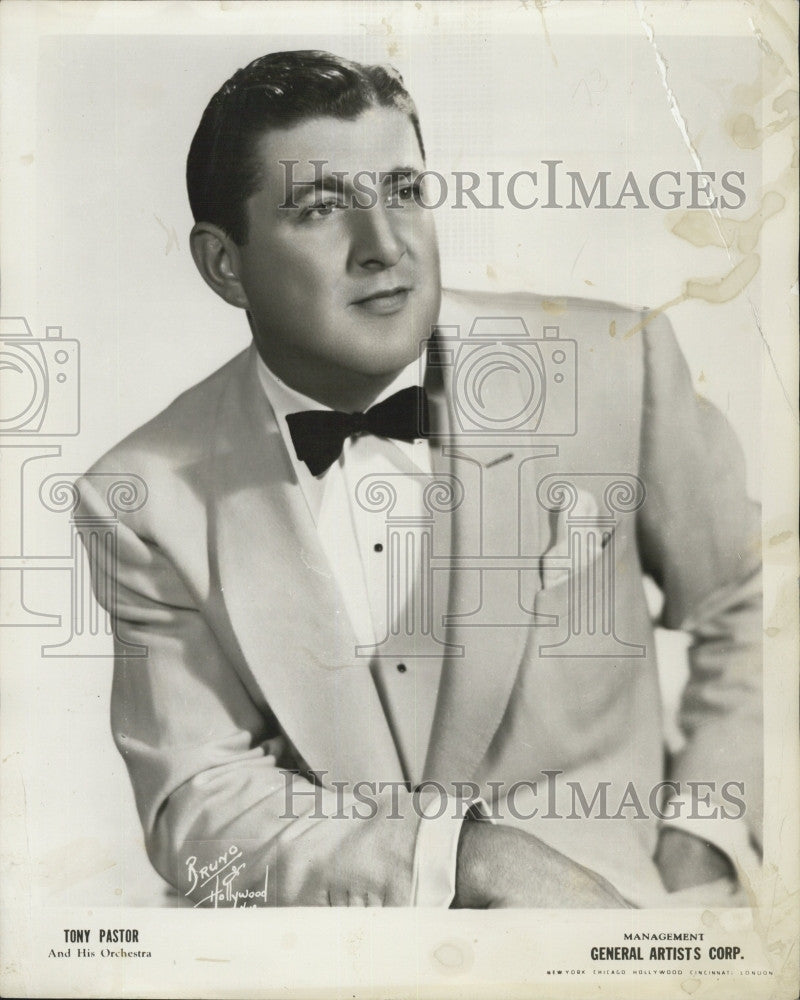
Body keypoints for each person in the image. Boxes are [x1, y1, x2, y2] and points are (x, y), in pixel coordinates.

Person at [78, 50, 762, 908]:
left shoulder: (615, 369)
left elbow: (756, 599)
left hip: (630, 935)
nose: (384, 247)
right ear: (224, 265)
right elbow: (200, 802)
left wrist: (706, 843)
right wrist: (460, 862)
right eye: (322, 209)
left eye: (403, 191)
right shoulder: (143, 494)